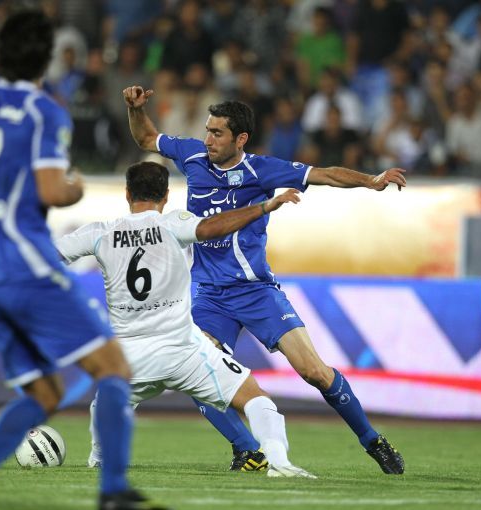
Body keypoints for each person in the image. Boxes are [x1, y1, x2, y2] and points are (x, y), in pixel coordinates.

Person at [0, 11, 165, 510]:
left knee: (45, 393)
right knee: (113, 367)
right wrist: (74, 188)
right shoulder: (43, 111)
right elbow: (51, 189)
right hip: (25, 264)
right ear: (46, 60)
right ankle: (114, 491)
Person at [123, 84, 407, 475]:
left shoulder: (261, 170)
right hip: (209, 294)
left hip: (256, 291)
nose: (208, 140)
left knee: (314, 371)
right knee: (199, 373)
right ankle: (246, 450)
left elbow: (324, 174)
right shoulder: (192, 155)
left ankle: (372, 440)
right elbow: (147, 138)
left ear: (240, 138)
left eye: (217, 133)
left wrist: (371, 179)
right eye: (207, 131)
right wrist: (136, 110)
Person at [56, 161, 315, 479]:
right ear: (166, 195)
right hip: (184, 351)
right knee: (255, 398)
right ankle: (280, 463)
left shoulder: (100, 233)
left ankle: (100, 458)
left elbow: (47, 255)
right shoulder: (173, 223)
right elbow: (212, 227)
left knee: (105, 403)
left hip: (129, 359)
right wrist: (262, 207)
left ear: (127, 194)